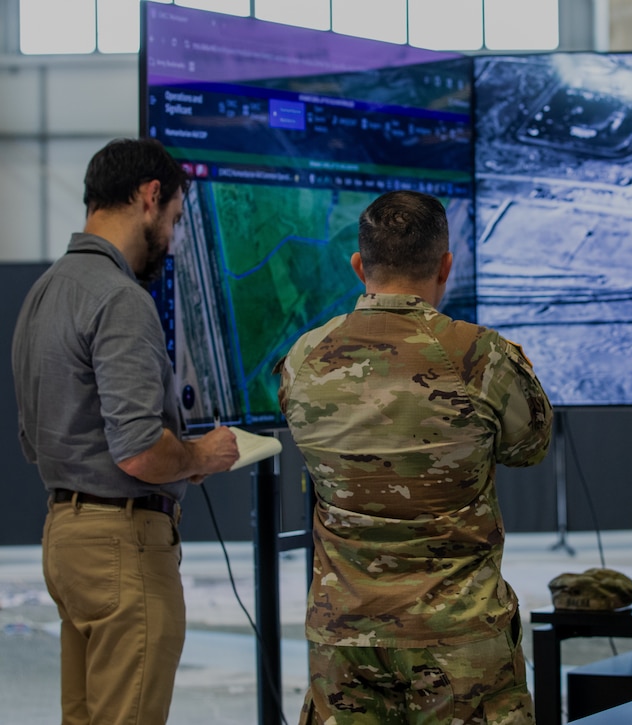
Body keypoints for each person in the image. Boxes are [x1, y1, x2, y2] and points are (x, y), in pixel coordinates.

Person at [277, 190, 553, 725]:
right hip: (459, 643)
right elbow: (530, 447)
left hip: (345, 643)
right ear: (446, 266)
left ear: (359, 265)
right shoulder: (480, 356)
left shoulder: (302, 358)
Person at [11, 137, 240, 725]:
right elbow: (139, 450)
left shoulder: (43, 294)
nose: (173, 236)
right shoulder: (120, 300)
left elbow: (35, 442)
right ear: (150, 196)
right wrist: (200, 454)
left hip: (65, 540)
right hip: (123, 548)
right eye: (175, 219)